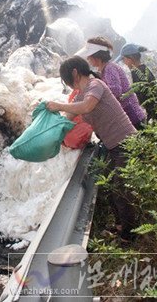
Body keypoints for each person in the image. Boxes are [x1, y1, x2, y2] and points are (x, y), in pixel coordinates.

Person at [47, 56, 138, 242]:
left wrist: (57, 105)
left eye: (66, 79)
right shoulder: (81, 95)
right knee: (111, 186)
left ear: (74, 73)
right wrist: (46, 132)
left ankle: (129, 236)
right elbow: (67, 118)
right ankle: (122, 226)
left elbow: (86, 106)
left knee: (121, 189)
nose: (67, 84)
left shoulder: (95, 85)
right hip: (113, 145)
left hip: (126, 141)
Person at [75, 37, 146, 129]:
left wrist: (95, 98)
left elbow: (116, 91)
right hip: (127, 116)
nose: (88, 58)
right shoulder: (104, 70)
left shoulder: (109, 68)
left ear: (97, 57)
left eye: (90, 56)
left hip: (133, 115)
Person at [116, 43, 157, 123]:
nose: (124, 62)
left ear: (130, 59)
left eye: (124, 59)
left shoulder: (136, 72)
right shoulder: (144, 68)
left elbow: (143, 95)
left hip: (155, 112)